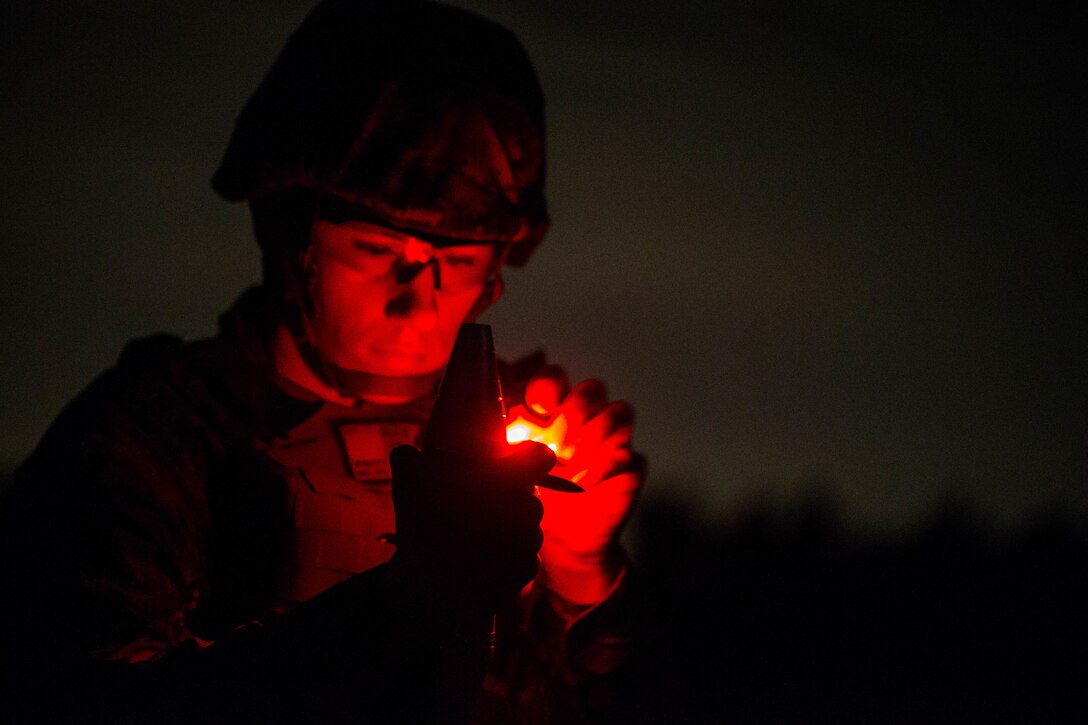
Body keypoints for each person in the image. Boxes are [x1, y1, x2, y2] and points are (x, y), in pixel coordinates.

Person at [0, 1, 644, 722]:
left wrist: (580, 573)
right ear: (290, 239)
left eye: (456, 261)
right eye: (376, 251)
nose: (417, 300)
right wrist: (405, 602)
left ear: (494, 273)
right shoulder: (150, 442)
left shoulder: (512, 451)